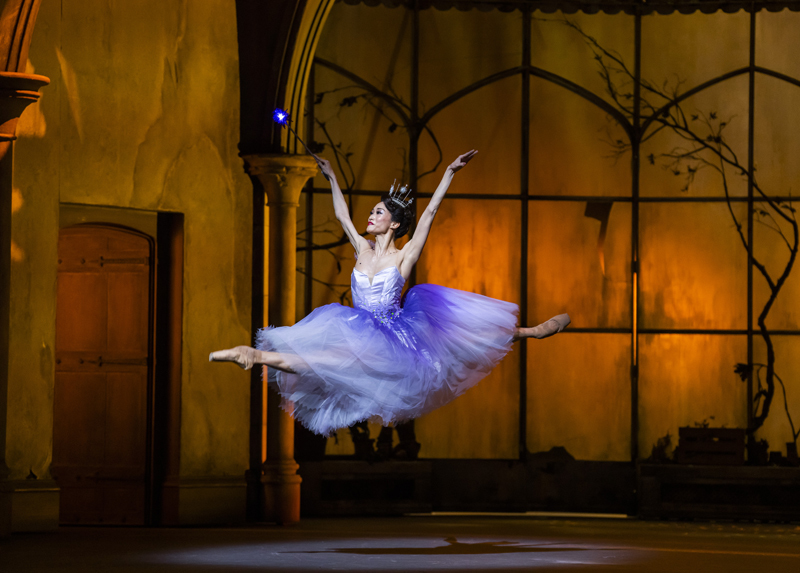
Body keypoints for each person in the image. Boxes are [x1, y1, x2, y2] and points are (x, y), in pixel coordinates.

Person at [210, 150, 570, 436]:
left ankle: (531, 331)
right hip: (354, 327)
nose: (370, 215)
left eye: (378, 212)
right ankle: (254, 356)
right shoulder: (362, 250)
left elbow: (429, 213)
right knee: (315, 361)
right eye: (371, 211)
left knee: (462, 339)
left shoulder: (403, 257)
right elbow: (341, 217)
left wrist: (449, 174)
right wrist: (331, 175)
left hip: (390, 336)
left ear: (393, 223)